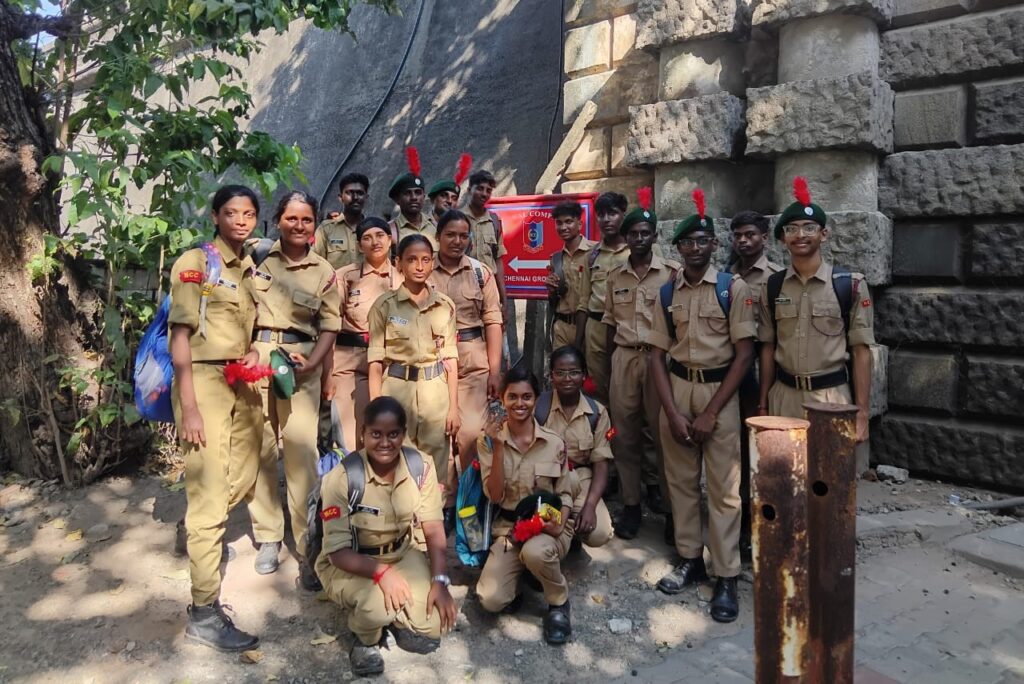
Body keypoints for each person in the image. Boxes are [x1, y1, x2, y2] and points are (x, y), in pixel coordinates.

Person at [648, 189, 756, 623]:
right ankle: (691, 558)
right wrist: (672, 412)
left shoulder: (733, 289)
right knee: (681, 482)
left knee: (725, 489)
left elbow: (744, 355)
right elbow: (656, 356)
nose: (695, 248)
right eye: (687, 242)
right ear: (678, 248)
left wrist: (711, 412)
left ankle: (726, 574)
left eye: (702, 241)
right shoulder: (666, 293)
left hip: (719, 394)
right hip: (678, 388)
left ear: (713, 244)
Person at [169, 184, 264, 651]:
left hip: (240, 380)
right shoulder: (196, 262)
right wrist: (189, 407)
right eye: (231, 212)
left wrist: (255, 350)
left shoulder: (248, 267)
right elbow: (180, 338)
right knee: (209, 492)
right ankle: (203, 612)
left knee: (245, 473)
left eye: (248, 214)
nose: (240, 220)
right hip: (203, 383)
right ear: (215, 216)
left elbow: (245, 327)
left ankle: (197, 529)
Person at [316, 397, 458, 677]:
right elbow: (337, 553)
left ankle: (395, 616)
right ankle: (365, 638)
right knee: (377, 606)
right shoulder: (342, 478)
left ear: (403, 434)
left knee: (434, 624)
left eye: (393, 434)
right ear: (363, 434)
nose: (385, 442)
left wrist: (440, 581)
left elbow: (432, 527)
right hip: (352, 561)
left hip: (401, 553)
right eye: (376, 434)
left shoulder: (421, 466)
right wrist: (382, 574)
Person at [247, 191, 341, 585]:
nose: (299, 226)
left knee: (301, 453)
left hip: (301, 364)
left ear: (314, 224)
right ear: (278, 220)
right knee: (261, 448)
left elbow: (330, 326)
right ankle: (268, 535)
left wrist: (316, 365)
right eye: (291, 218)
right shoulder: (256, 259)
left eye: (306, 219)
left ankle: (306, 545)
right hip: (256, 361)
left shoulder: (324, 272)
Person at [757, 177, 874, 443]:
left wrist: (862, 413)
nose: (800, 235)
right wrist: (763, 404)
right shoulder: (772, 286)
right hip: (784, 397)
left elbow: (861, 351)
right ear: (783, 238)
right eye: (792, 229)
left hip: (832, 397)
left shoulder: (850, 285)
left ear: (824, 234)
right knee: (784, 469)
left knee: (831, 468)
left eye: (809, 228)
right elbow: (767, 348)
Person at [475, 366, 579, 645]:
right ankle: (523, 580)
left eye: (527, 397)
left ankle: (558, 603)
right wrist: (498, 447)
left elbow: (565, 494)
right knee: (490, 599)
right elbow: (494, 496)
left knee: (536, 552)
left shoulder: (553, 443)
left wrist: (559, 524)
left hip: (547, 527)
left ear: (536, 398)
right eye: (512, 397)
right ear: (502, 398)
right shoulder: (487, 442)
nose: (519, 403)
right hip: (509, 530)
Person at [601, 188, 678, 541]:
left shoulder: (672, 274)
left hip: (660, 360)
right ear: (626, 238)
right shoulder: (615, 276)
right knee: (625, 436)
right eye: (633, 234)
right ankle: (631, 505)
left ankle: (672, 511)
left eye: (645, 233)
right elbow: (609, 324)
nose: (639, 239)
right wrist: (609, 368)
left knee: (664, 438)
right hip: (624, 357)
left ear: (655, 236)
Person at [427, 210, 503, 530]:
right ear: (438, 237)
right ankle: (446, 502)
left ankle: (472, 500)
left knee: (471, 434)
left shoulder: (480, 272)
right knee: (440, 434)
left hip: (472, 362)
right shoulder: (423, 269)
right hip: (433, 361)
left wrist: (495, 371)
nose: (457, 241)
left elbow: (493, 321)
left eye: (463, 235)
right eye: (450, 235)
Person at [367, 234, 459, 490]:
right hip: (397, 390)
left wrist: (453, 407)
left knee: (435, 464)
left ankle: (433, 513)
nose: (419, 266)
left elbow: (451, 358)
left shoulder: (445, 306)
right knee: (395, 459)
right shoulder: (384, 306)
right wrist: (376, 408)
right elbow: (375, 362)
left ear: (433, 263)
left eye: (426, 260)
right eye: (412, 260)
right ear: (399, 264)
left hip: (435, 392)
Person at [728, 211, 783, 553]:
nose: (743, 241)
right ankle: (740, 516)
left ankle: (763, 519)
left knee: (761, 449)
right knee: (734, 447)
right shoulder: (727, 275)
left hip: (764, 369)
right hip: (733, 368)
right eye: (738, 235)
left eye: (750, 234)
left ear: (764, 237)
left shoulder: (775, 277)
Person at [322, 217, 401, 453]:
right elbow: (330, 325)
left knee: (391, 435)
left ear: (390, 240)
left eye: (380, 236)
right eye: (367, 238)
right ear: (359, 245)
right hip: (351, 363)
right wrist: (327, 375)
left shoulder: (403, 277)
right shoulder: (345, 277)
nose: (375, 242)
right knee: (353, 437)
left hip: (392, 363)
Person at [536, 346, 614, 549]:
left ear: (584, 375)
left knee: (599, 533)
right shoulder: (539, 407)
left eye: (574, 372)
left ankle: (568, 528)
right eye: (560, 373)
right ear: (551, 376)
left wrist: (590, 506)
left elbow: (601, 464)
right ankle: (563, 531)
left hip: (580, 479)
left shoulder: (597, 413)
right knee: (541, 523)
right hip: (546, 481)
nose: (567, 378)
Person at [573, 191, 629, 405]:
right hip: (596, 329)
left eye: (612, 213)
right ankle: (603, 425)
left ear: (623, 214)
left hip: (625, 328)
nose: (606, 219)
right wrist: (578, 343)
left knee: (626, 388)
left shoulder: (637, 252)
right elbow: (583, 301)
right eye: (601, 214)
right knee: (597, 387)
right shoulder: (592, 255)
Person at [544, 201, 596, 349]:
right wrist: (551, 290)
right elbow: (555, 300)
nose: (563, 227)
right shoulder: (556, 258)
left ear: (579, 224)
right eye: (559, 223)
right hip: (562, 328)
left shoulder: (595, 252)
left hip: (590, 327)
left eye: (568, 222)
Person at [463, 169, 508, 309]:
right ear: (469, 190)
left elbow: (498, 260)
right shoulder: (457, 219)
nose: (484, 193)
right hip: (463, 290)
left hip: (489, 291)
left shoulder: (494, 221)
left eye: (488, 190)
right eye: (480, 188)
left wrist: (504, 299)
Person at [313, 173, 369, 270]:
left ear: (366, 197)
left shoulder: (374, 229)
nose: (355, 197)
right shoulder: (326, 229)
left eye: (360, 193)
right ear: (340, 197)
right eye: (349, 193)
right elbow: (316, 264)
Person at [388, 147, 437, 252]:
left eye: (418, 193)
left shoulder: (435, 226)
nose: (414, 197)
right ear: (397, 200)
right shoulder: (391, 230)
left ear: (424, 197)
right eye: (407, 193)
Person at [427, 153, 472, 225]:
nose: (450, 201)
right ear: (433, 199)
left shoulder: (460, 226)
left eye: (454, 198)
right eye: (444, 195)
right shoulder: (421, 224)